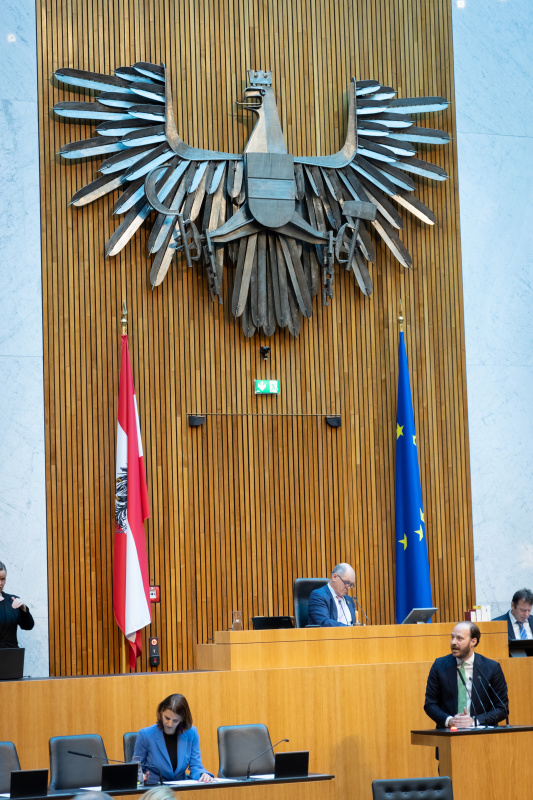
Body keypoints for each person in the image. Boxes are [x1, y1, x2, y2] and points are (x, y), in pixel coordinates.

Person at [424, 621, 508, 729]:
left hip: (482, 736)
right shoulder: (439, 666)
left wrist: (474, 721)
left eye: (459, 638)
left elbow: (502, 708)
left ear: (473, 641)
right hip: (448, 734)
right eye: (452, 637)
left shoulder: (491, 668)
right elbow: (430, 704)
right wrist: (450, 720)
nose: (454, 642)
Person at [133, 693, 214, 784]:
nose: (170, 724)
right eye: (167, 718)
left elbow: (196, 766)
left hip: (181, 788)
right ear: (161, 713)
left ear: (182, 719)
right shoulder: (145, 735)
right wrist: (140, 777)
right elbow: (136, 769)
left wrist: (203, 774)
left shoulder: (191, 733)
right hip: (155, 789)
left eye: (175, 720)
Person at [0, 561, 34, 648]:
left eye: (2, 579)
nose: (0, 583)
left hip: (12, 656)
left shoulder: (12, 600)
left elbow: (28, 626)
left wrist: (23, 608)